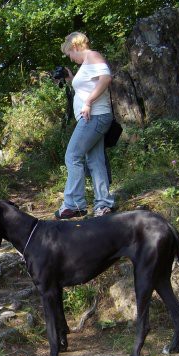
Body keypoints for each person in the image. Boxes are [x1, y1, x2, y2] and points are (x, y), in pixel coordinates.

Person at [55, 32, 116, 219]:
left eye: (69, 54)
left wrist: (89, 102)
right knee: (95, 161)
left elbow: (106, 78)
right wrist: (69, 77)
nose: (71, 58)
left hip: (95, 116)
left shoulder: (92, 56)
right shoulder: (86, 65)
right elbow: (85, 86)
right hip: (94, 117)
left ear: (74, 47)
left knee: (72, 156)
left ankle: (74, 204)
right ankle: (103, 205)